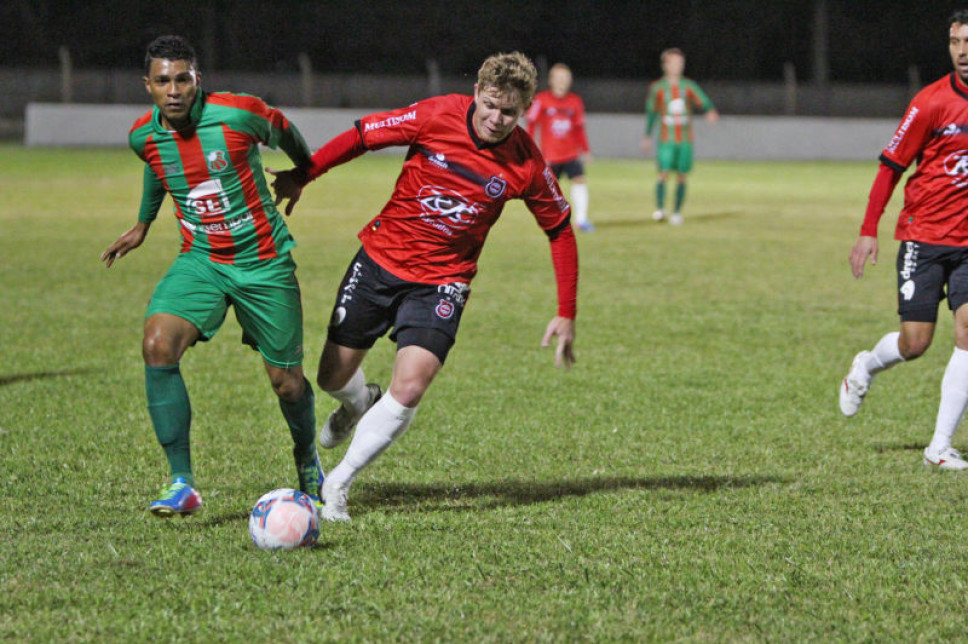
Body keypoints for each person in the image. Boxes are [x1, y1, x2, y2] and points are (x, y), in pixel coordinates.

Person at [270, 51, 579, 522]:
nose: (497, 119)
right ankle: (359, 400)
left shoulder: (526, 165)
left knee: (412, 385)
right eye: (491, 104)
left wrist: (566, 310)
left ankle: (340, 482)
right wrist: (304, 175)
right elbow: (363, 136)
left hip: (442, 283)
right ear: (476, 93)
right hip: (378, 263)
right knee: (331, 375)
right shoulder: (436, 115)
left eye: (509, 112)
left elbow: (560, 228)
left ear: (525, 111)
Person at [100, 35, 323, 516]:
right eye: (163, 81)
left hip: (263, 260)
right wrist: (144, 222)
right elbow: (158, 166)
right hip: (201, 258)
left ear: (198, 80)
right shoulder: (143, 136)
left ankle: (307, 458)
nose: (174, 89)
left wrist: (302, 172)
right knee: (157, 344)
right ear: (149, 86)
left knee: (286, 383)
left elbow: (285, 130)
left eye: (183, 78)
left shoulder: (240, 114)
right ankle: (181, 481)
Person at [840, 10, 968, 470]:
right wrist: (868, 229)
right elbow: (890, 166)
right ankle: (865, 367)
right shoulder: (930, 102)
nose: (963, 51)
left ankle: (939, 447)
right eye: (955, 42)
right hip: (924, 238)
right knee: (916, 344)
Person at [641, 48, 718, 226]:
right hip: (666, 140)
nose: (677, 66)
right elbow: (652, 113)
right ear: (665, 65)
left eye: (680, 63)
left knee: (682, 176)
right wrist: (646, 136)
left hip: (684, 140)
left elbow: (703, 100)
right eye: (673, 63)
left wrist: (710, 110)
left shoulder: (688, 86)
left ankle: (676, 212)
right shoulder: (658, 88)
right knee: (663, 173)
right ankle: (660, 210)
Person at [526, 63, 593, 231]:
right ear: (551, 80)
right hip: (550, 156)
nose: (563, 81)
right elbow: (531, 125)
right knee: (548, 190)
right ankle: (550, 221)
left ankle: (581, 220)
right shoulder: (541, 100)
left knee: (579, 180)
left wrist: (585, 150)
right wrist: (529, 149)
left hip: (570, 154)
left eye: (566, 77)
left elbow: (579, 129)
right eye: (559, 77)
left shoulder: (575, 101)